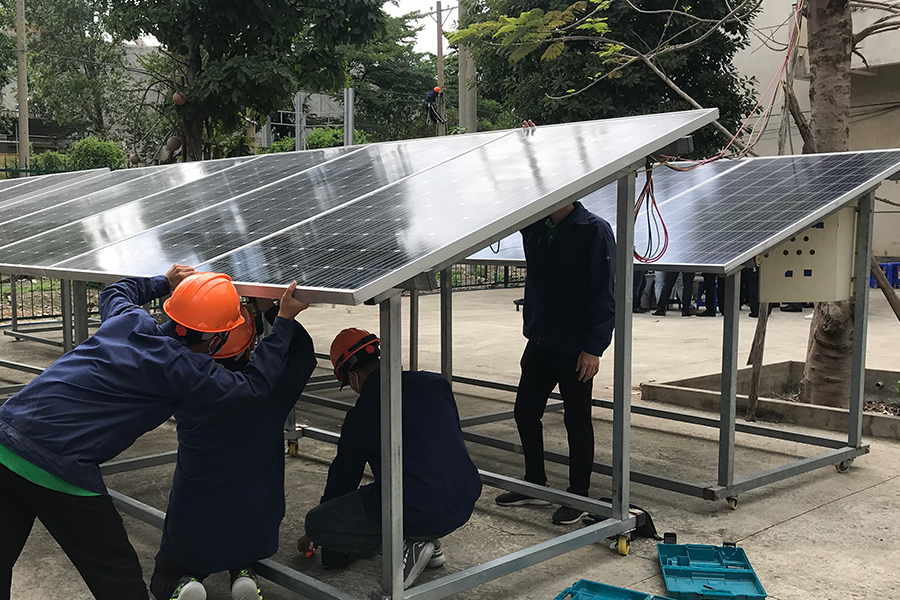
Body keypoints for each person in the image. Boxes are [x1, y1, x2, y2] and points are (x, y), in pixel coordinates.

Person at [0, 266, 309, 600]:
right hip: (57, 464)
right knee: (118, 576)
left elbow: (116, 291)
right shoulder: (184, 368)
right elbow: (253, 389)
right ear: (216, 339)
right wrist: (283, 323)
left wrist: (164, 280)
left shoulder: (131, 319)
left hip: (1, 439)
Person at [151, 301, 318, 600]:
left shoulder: (187, 384)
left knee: (167, 571)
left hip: (194, 516)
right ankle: (243, 571)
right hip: (255, 520)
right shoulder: (273, 393)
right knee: (240, 536)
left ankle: (185, 584)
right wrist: (277, 313)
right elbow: (304, 354)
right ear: (250, 344)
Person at [298, 329, 482, 589]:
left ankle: (414, 541)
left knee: (318, 522)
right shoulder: (434, 383)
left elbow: (343, 481)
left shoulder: (363, 414)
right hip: (465, 495)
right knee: (414, 482)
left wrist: (319, 535)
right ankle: (430, 539)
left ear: (351, 376)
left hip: (421, 506)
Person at [494, 199, 615, 525]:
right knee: (525, 412)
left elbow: (604, 292)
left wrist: (594, 347)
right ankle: (535, 481)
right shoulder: (534, 226)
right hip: (542, 339)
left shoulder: (594, 230)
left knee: (576, 421)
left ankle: (578, 494)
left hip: (576, 347)